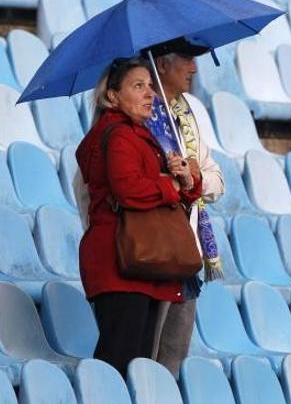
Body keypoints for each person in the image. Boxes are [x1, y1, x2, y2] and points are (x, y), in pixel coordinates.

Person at [75, 57, 203, 376]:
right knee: (120, 364)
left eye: (149, 86)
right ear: (112, 96)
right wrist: (171, 183)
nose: (150, 94)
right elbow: (129, 189)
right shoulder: (118, 134)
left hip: (136, 264)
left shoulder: (137, 133)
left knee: (137, 367)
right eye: (138, 86)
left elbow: (166, 190)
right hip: (121, 260)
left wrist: (187, 178)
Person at [145, 38, 226, 377]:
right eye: (187, 61)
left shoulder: (187, 111)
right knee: (143, 357)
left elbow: (217, 182)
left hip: (187, 248)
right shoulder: (138, 113)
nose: (194, 68)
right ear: (162, 63)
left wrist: (193, 179)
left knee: (173, 359)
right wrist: (175, 179)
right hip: (151, 249)